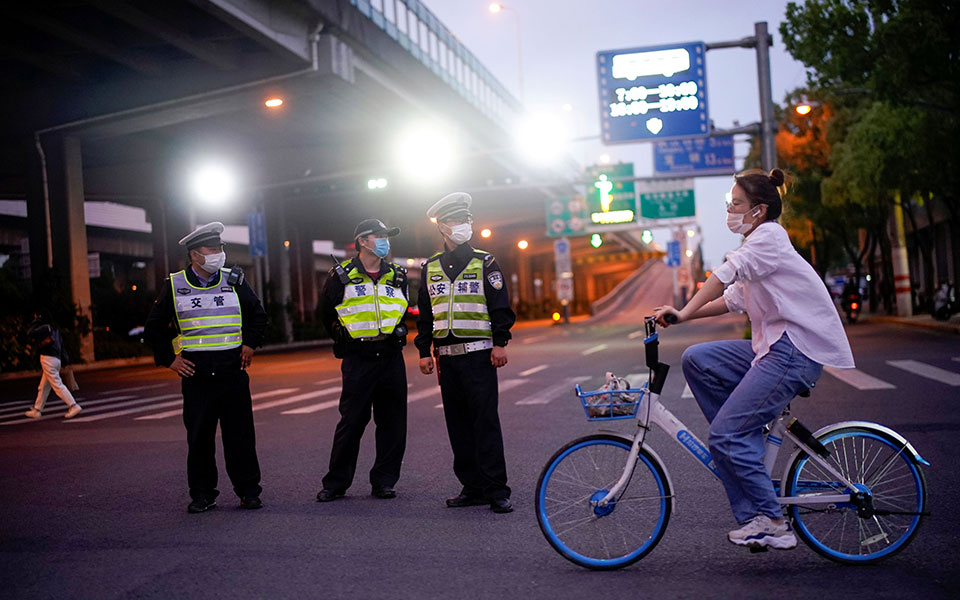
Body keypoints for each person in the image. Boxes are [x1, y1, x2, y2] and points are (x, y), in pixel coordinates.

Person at [653, 169, 854, 550]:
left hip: (793, 352)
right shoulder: (757, 243)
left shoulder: (769, 238)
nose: (729, 210)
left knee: (724, 434)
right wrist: (681, 317)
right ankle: (743, 440)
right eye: (729, 203)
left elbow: (723, 275)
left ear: (758, 210)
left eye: (736, 204)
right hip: (773, 347)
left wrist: (684, 309)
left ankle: (773, 521)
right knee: (697, 359)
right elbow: (731, 299)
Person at [143, 222, 268, 513]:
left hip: (232, 370)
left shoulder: (234, 280)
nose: (218, 254)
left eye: (220, 248)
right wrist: (170, 360)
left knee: (240, 437)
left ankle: (248, 492)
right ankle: (202, 495)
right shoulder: (175, 285)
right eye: (211, 250)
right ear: (195, 255)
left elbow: (257, 314)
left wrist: (250, 344)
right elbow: (153, 329)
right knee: (199, 439)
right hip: (197, 375)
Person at [416, 192, 516, 514]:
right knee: (457, 425)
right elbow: (426, 313)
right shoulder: (430, 267)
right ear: (442, 227)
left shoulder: (485, 262)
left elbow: (499, 305)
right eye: (457, 220)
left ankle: (496, 490)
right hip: (446, 358)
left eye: (466, 219)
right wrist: (423, 350)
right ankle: (472, 487)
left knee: (485, 423)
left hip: (479, 356)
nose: (463, 225)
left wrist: (500, 342)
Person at [315, 219, 409, 502]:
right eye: (378, 236)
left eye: (386, 236)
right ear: (362, 241)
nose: (384, 241)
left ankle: (384, 481)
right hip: (359, 357)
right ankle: (336, 483)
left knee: (392, 423)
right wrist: (340, 336)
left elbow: (402, 308)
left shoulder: (397, 275)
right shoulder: (341, 275)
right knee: (352, 421)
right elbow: (326, 313)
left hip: (390, 355)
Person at [24, 310, 83, 419]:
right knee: (43, 386)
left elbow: (30, 333)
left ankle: (73, 405)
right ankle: (37, 410)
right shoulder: (55, 329)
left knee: (57, 385)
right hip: (56, 360)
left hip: (48, 359)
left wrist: (36, 321)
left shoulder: (44, 328)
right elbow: (61, 346)